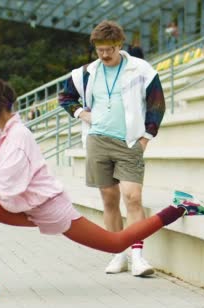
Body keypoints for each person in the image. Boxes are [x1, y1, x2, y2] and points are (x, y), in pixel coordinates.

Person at [0, 78, 204, 298]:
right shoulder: (0, 133)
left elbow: (6, 183)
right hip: (20, 204)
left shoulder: (19, 137)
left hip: (47, 207)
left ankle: (179, 207)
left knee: (115, 243)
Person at [58, 20, 166, 277]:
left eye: (109, 49)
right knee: (109, 199)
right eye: (100, 50)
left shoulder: (141, 69)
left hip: (129, 141)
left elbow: (157, 104)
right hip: (97, 141)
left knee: (133, 196)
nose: (104, 55)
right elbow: (65, 97)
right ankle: (118, 253)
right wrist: (82, 113)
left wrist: (146, 138)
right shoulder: (86, 72)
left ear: (119, 45)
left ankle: (138, 256)